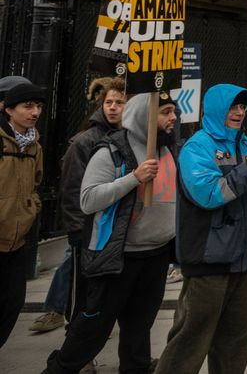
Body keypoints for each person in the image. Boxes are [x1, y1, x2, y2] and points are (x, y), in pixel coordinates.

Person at [43, 91, 180, 374]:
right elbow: (88, 199)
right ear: (145, 115)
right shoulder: (112, 151)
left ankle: (136, 368)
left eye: (173, 112)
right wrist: (133, 178)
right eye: (165, 112)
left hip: (155, 256)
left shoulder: (167, 151)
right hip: (119, 258)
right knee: (92, 328)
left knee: (140, 326)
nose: (173, 118)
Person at [153, 84, 247, 374]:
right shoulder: (198, 147)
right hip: (208, 262)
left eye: (242, 107)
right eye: (233, 106)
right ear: (217, 108)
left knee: (236, 342)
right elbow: (209, 195)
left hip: (242, 261)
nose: (238, 112)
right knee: (190, 341)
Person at [31, 77, 127, 337]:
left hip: (114, 229)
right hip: (88, 230)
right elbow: (72, 189)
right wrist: (76, 230)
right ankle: (75, 340)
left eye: (119, 102)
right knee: (82, 294)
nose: (113, 107)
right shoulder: (85, 141)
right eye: (109, 102)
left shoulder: (130, 139)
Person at [0, 75, 45, 350]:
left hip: (16, 242)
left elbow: (36, 184)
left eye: (38, 106)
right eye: (28, 106)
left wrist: (31, 208)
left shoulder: (34, 146)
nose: (35, 112)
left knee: (12, 304)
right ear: (7, 108)